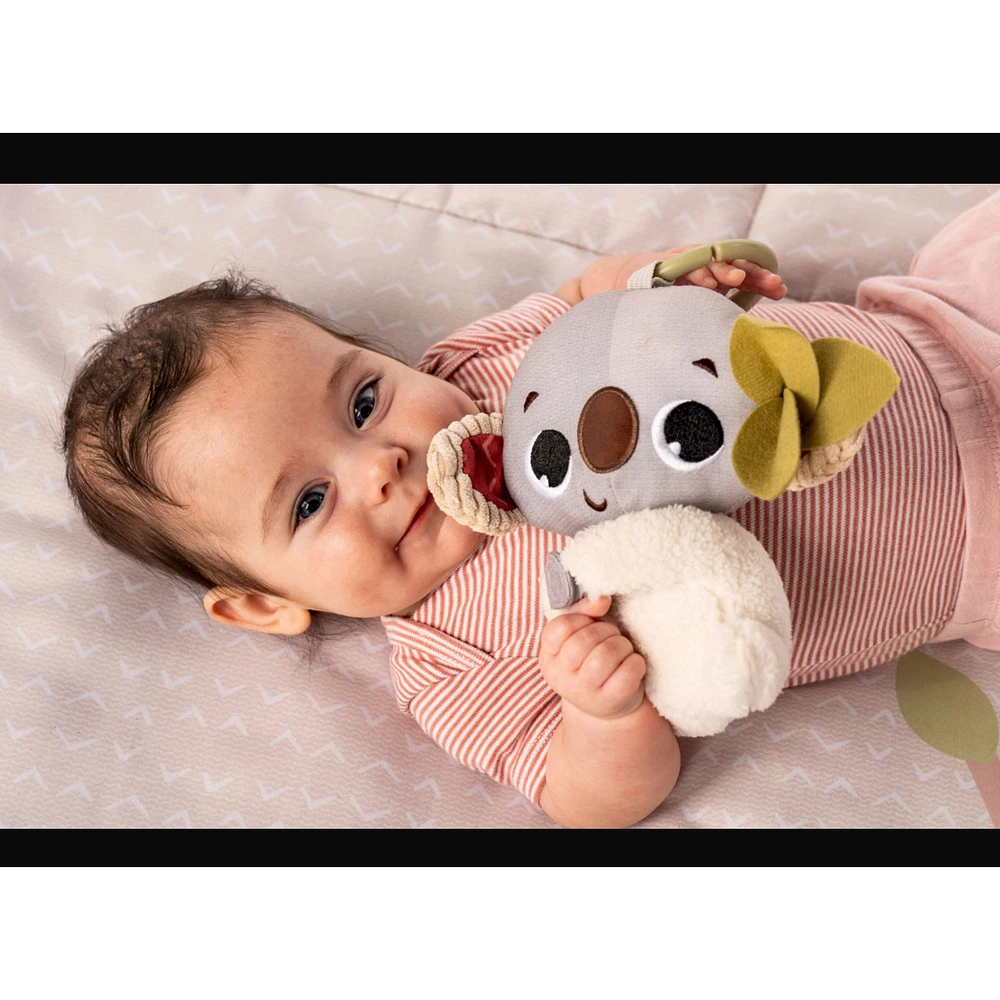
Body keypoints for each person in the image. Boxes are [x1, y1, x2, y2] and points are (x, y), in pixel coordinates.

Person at [62, 192, 1000, 827]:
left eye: (363, 401)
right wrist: (604, 717)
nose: (381, 468)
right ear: (263, 603)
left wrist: (656, 283)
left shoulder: (472, 368)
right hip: (971, 545)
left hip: (935, 322)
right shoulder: (449, 662)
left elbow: (587, 299)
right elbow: (584, 800)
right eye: (311, 501)